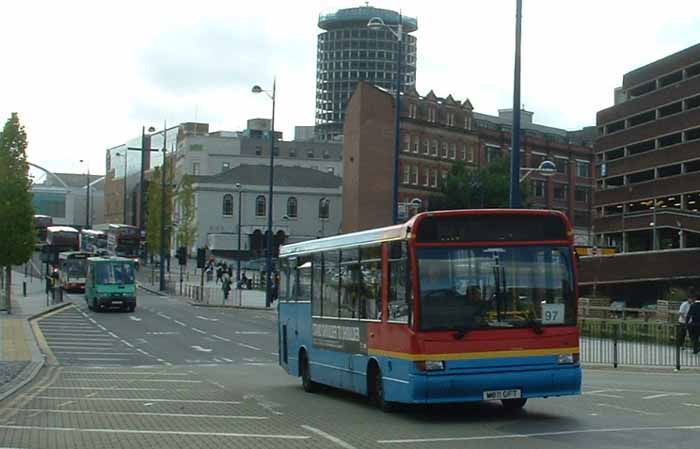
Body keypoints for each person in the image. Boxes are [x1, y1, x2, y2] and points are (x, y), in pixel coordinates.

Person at [686, 288, 700, 354]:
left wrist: (686, 324)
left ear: (695, 299)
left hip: (695, 324)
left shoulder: (693, 306)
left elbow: (688, 315)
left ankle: (695, 350)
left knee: (695, 337)